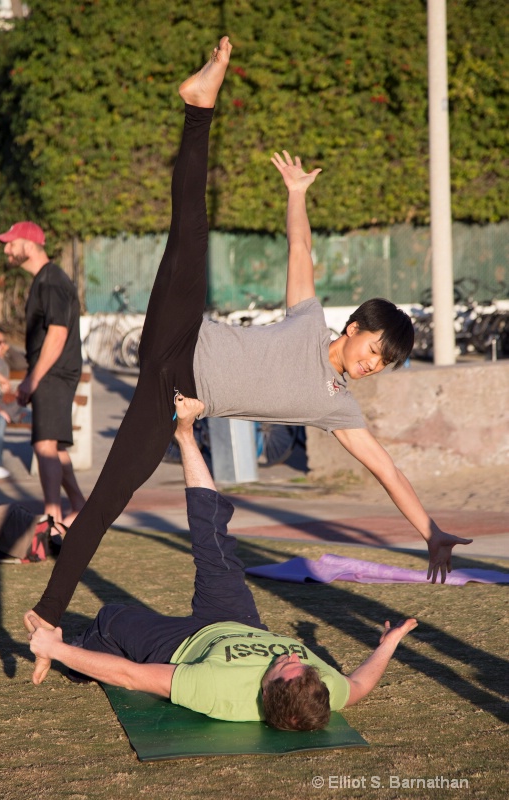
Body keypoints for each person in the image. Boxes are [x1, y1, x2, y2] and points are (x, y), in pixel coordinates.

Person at [24, 37, 470, 685]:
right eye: (374, 351)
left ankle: (45, 619)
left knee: (104, 504)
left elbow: (387, 471)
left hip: (169, 396)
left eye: (383, 364)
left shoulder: (336, 406)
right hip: (180, 335)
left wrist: (430, 530)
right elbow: (299, 248)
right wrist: (296, 193)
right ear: (353, 329)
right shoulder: (306, 317)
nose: (373, 366)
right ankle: (198, 107)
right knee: (190, 230)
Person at [27, 394, 418, 730]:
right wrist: (389, 643)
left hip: (186, 647)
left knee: (112, 618)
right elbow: (361, 684)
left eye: (288, 665)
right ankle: (185, 435)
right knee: (215, 539)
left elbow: (132, 677)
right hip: (238, 618)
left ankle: (78, 656)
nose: (295, 655)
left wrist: (56, 649)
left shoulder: (220, 691)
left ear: (268, 690)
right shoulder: (319, 690)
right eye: (302, 662)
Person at [0, 220, 86, 528]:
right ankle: (79, 507)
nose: (7, 249)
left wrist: (33, 379)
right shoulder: (43, 280)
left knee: (43, 444)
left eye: (11, 243)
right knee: (55, 445)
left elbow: (58, 335)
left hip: (55, 373)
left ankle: (53, 519)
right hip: (51, 372)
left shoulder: (51, 282)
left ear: (29, 245)